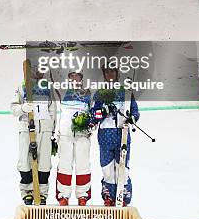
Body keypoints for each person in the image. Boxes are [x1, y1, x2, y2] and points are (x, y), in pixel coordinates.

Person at [92, 68, 139, 206]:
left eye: (112, 72)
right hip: (105, 135)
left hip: (121, 134)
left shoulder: (126, 91)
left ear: (117, 73)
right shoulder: (100, 93)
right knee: (107, 168)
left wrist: (132, 118)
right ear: (104, 74)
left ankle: (123, 194)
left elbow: (135, 111)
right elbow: (94, 115)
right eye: (107, 72)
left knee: (122, 166)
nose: (110, 74)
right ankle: (109, 195)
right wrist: (103, 111)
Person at [11, 68, 56, 205]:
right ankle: (27, 191)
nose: (38, 72)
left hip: (45, 129)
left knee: (44, 162)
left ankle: (42, 193)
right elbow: (14, 108)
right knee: (25, 160)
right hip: (27, 128)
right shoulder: (22, 86)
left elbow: (52, 109)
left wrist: (52, 131)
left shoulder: (48, 87)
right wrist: (23, 108)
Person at [56, 71, 93, 206]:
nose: (74, 78)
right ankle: (63, 196)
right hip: (65, 134)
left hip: (82, 134)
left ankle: (82, 196)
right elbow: (52, 76)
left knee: (83, 165)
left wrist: (90, 126)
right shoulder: (62, 90)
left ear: (82, 78)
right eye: (71, 76)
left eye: (77, 76)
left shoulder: (88, 93)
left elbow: (93, 112)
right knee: (65, 164)